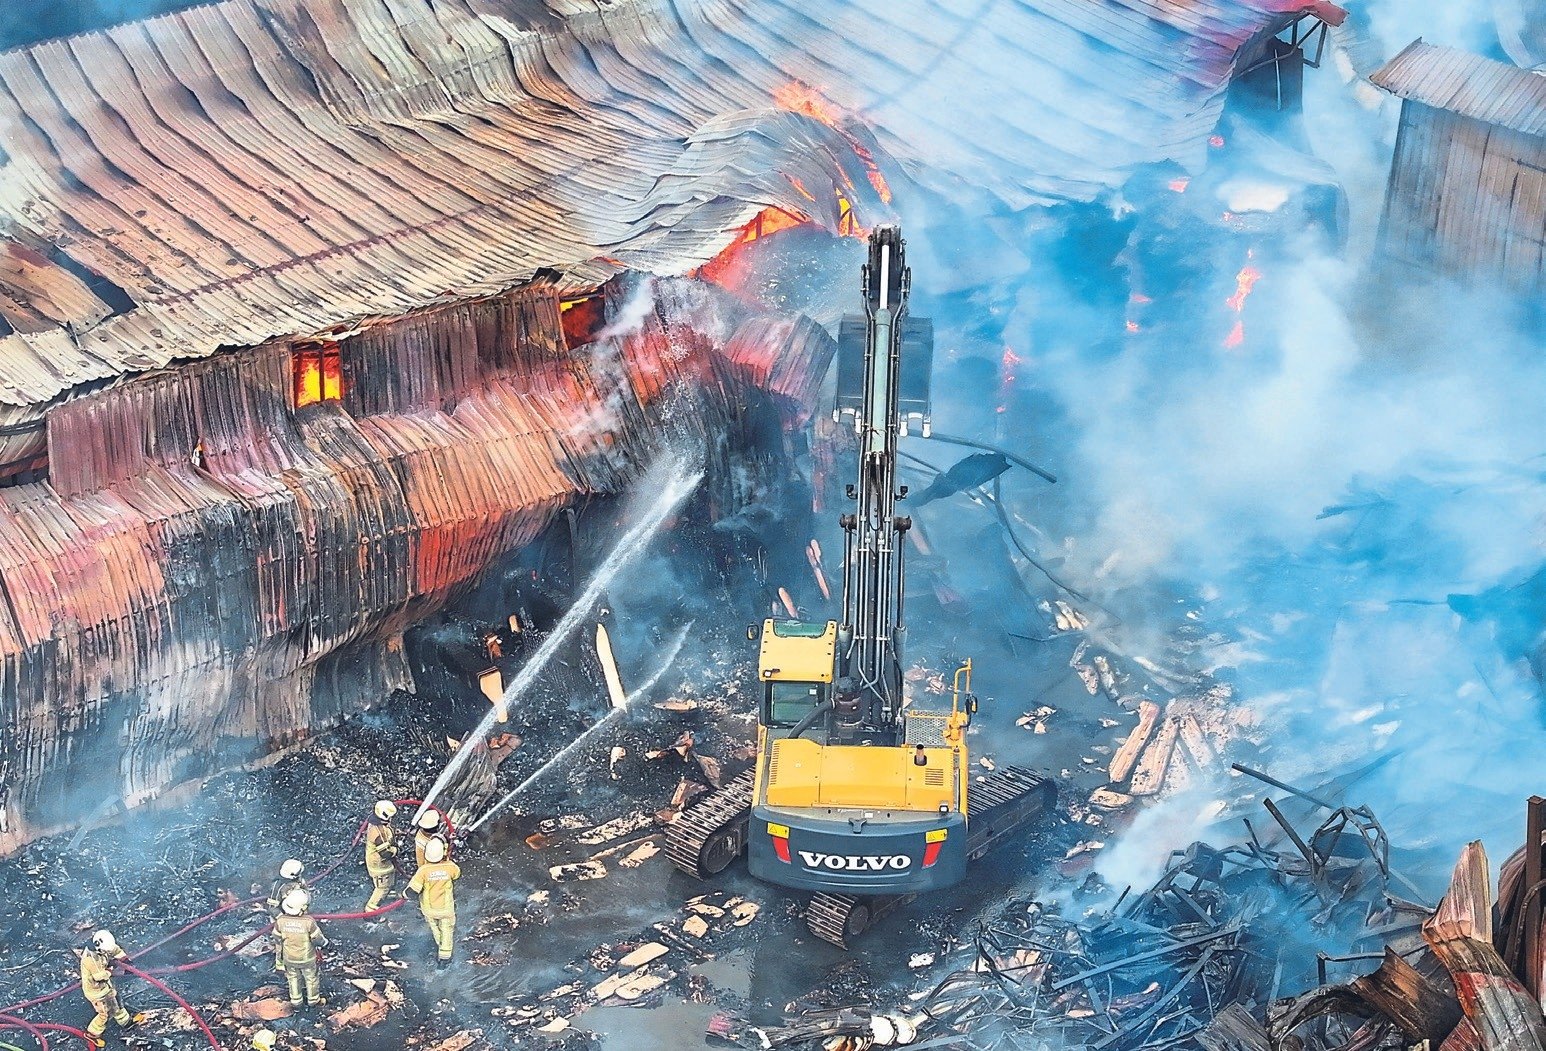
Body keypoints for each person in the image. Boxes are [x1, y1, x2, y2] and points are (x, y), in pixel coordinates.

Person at [404, 835, 460, 968]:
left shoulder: (423, 871)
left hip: (429, 909)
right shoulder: (450, 867)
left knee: (435, 929)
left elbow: (413, 890)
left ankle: (439, 944)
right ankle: (445, 958)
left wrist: (403, 895)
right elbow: (457, 874)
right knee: (447, 930)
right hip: (446, 909)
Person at [273, 888, 328, 1008]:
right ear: (303, 908)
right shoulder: (308, 922)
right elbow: (317, 939)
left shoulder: (280, 921)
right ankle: (313, 1000)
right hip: (307, 959)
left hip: (289, 959)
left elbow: (277, 938)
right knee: (311, 978)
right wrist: (326, 944)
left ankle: (296, 1001)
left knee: (293, 978)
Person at [78, 929, 132, 1044]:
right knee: (105, 1014)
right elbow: (99, 976)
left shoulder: (103, 946)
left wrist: (125, 960)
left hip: (106, 987)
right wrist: (110, 970)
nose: (108, 952)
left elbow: (115, 949)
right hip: (96, 992)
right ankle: (92, 1034)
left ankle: (126, 1023)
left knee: (117, 1003)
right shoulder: (90, 958)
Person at [363, 800, 399, 911]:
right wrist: (395, 850)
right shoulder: (378, 832)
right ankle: (370, 912)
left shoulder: (377, 824)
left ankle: (389, 897)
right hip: (380, 867)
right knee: (381, 888)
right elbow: (386, 854)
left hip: (383, 864)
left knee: (390, 882)